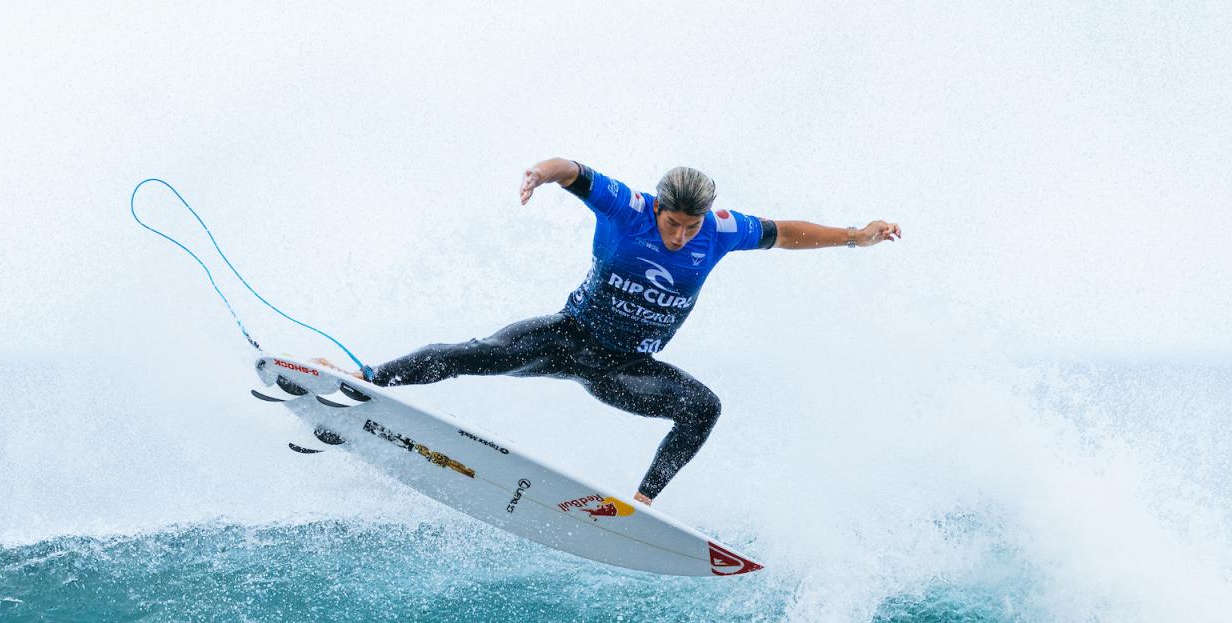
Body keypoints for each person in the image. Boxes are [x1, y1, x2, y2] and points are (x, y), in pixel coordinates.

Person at [356, 159, 899, 504]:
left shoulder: (723, 229)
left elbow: (786, 232)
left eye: (691, 226)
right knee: (474, 355)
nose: (681, 235)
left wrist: (855, 235)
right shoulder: (630, 208)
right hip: (567, 339)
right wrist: (541, 175)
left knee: (703, 407)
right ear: (658, 207)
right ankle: (365, 381)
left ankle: (640, 504)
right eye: (673, 223)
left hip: (626, 370)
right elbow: (572, 171)